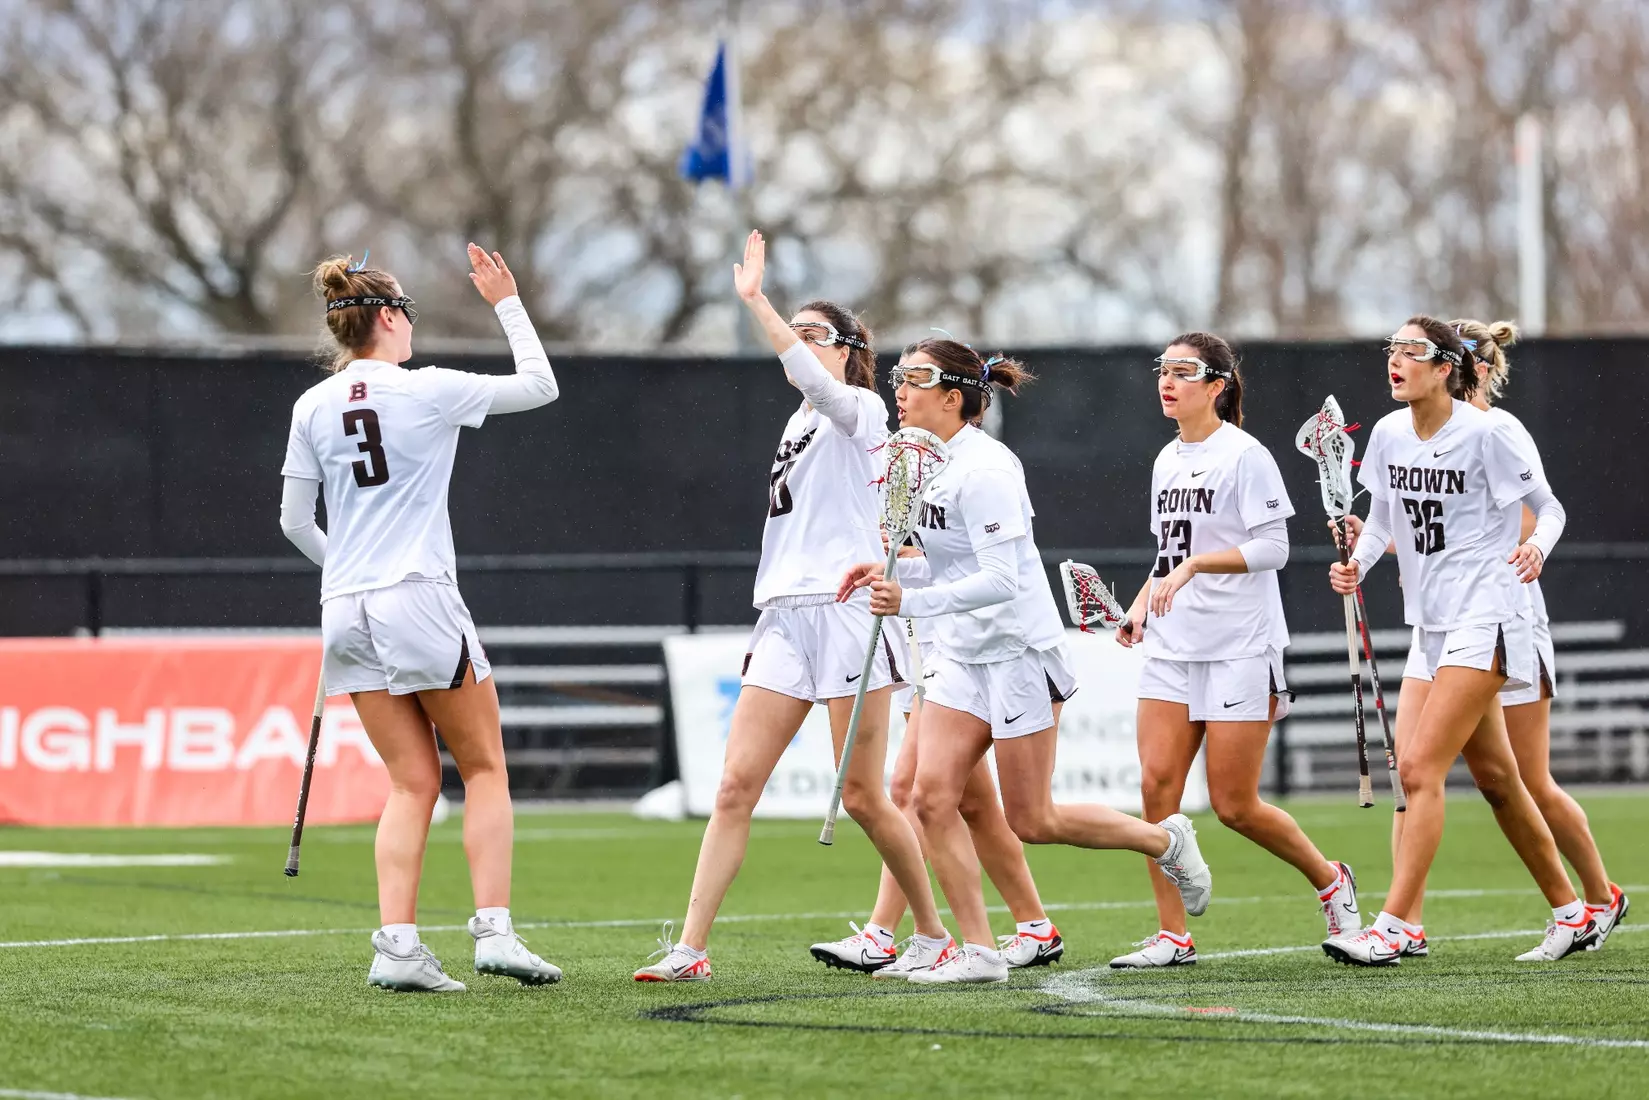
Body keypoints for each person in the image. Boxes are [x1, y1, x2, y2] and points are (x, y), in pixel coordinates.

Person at [838, 337, 1212, 985]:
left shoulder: (985, 469)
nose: (898, 390)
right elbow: (950, 560)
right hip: (962, 657)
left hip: (1017, 655)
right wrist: (893, 564)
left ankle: (1163, 839)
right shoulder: (926, 462)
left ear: (954, 398)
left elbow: (1002, 580)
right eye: (898, 378)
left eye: (915, 381)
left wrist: (911, 598)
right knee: (928, 799)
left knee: (1032, 819)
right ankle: (978, 952)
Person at [634, 231, 951, 982]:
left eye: (816, 336)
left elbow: (811, 380)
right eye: (797, 332)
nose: (800, 345)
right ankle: (690, 948)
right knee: (733, 785)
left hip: (843, 616)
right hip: (783, 614)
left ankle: (933, 934)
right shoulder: (800, 421)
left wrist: (756, 302)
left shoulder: (862, 412)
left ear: (847, 350)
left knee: (867, 797)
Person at [280, 245, 562, 992]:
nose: (412, 322)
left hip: (344, 605)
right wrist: (505, 300)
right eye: (406, 309)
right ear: (386, 319)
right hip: (418, 596)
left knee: (410, 785)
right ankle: (494, 933)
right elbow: (540, 385)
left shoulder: (311, 405)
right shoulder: (427, 389)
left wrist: (348, 569)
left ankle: (397, 946)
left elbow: (293, 521)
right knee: (484, 767)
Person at [1321, 316, 1590, 966]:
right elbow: (1384, 519)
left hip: (1488, 614)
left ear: (1444, 367)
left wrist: (1534, 545)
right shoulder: (1386, 434)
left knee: (1416, 770)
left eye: (1412, 351)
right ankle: (1570, 911)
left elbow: (1550, 508)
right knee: (1498, 780)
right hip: (1431, 627)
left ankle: (1395, 923)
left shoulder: (1487, 433)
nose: (1396, 360)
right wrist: (1357, 561)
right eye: (1392, 349)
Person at [1109, 333, 1359, 969]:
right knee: (1157, 789)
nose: (1168, 381)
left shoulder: (1245, 455)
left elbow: (1274, 548)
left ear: (1217, 384)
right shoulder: (1167, 458)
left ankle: (1331, 879)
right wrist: (1139, 606)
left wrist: (1195, 566)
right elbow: (1166, 556)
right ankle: (1172, 936)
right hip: (1173, 645)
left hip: (1240, 646)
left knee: (1233, 806)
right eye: (1162, 369)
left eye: (1184, 371)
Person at [808, 610, 1065, 976]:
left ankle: (885, 935)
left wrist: (913, 559)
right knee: (975, 805)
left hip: (949, 645)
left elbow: (964, 566)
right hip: (918, 641)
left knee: (912, 788)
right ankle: (1036, 928)